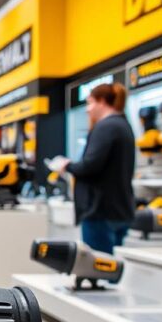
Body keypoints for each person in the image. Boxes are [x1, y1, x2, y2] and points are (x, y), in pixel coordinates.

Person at [52, 82, 136, 255]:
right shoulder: (123, 125)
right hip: (118, 210)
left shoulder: (105, 127)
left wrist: (67, 166)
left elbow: (90, 165)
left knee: (98, 268)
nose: (87, 109)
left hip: (100, 211)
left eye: (90, 103)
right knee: (111, 268)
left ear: (102, 102)